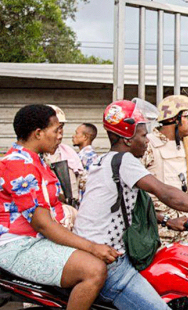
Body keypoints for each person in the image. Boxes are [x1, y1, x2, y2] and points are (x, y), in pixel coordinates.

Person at [73, 99, 188, 310]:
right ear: (126, 139)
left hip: (96, 253)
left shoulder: (105, 161)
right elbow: (168, 194)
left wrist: (167, 220)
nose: (146, 141)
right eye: (143, 136)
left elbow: (128, 206)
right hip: (111, 262)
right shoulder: (125, 161)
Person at [0, 104, 119, 310]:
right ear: (38, 133)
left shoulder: (35, 160)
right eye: (56, 130)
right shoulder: (20, 164)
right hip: (19, 245)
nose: (60, 136)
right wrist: (91, 247)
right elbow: (42, 224)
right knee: (94, 270)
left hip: (37, 240)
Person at [141, 95, 188, 245]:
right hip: (157, 232)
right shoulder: (148, 145)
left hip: (185, 230)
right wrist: (164, 219)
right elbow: (134, 192)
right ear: (172, 119)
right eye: (187, 116)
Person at [44, 105, 86, 204]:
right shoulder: (37, 154)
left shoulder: (68, 151)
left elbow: (82, 180)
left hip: (70, 208)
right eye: (55, 127)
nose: (59, 131)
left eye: (61, 127)